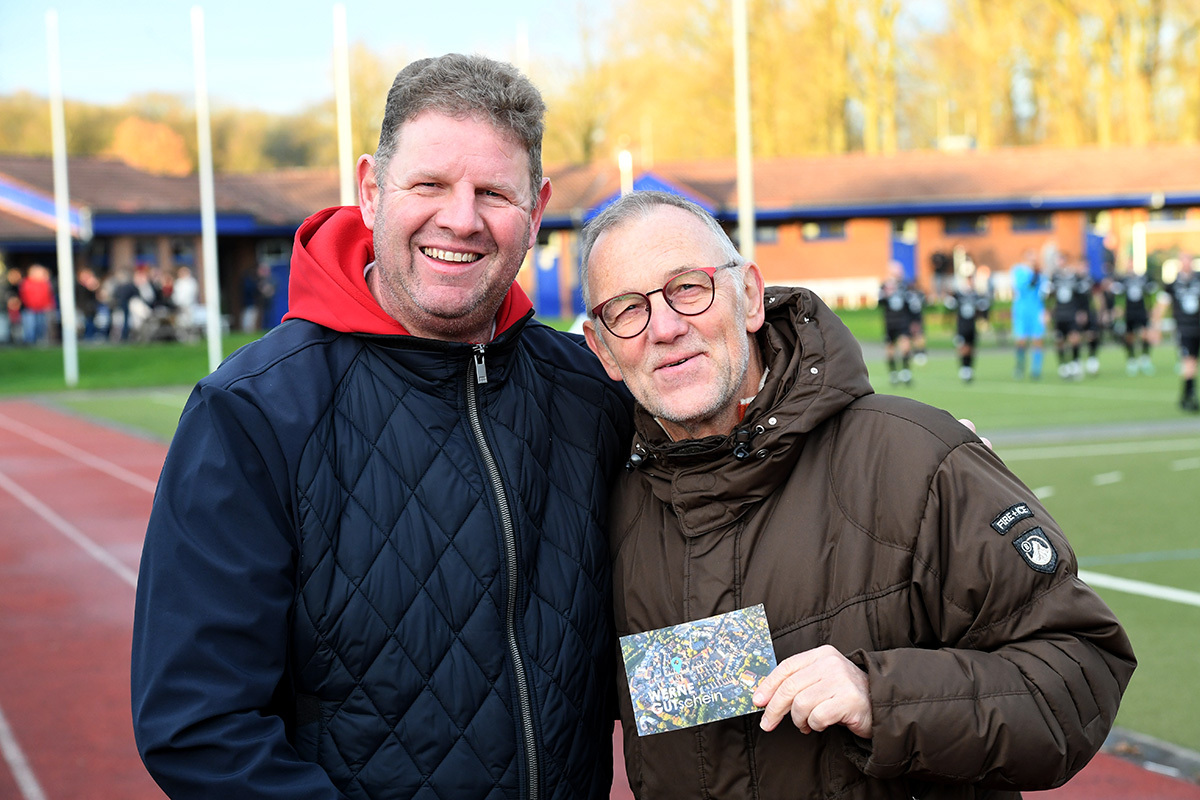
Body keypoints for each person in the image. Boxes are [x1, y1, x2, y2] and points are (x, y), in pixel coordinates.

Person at [131, 54, 633, 800]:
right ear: (371, 190)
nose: (460, 219)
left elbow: (650, 655)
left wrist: (828, 678)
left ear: (536, 210)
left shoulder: (593, 392)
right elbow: (199, 725)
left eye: (493, 192)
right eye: (429, 185)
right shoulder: (253, 413)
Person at [578, 190, 1135, 799]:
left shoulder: (913, 457)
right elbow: (636, 696)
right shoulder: (605, 505)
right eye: (626, 309)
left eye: (688, 287)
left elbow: (1080, 671)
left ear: (749, 296)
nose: (664, 327)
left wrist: (883, 697)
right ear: (602, 348)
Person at [1151, 256, 1200, 412]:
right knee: (1189, 362)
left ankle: (1187, 396)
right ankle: (1188, 395)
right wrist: (1155, 327)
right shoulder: (1172, 285)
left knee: (1191, 363)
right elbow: (1161, 305)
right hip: (1185, 329)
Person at [1045, 254, 1092, 379]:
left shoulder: (1075, 277)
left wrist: (1081, 311)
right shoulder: (1054, 278)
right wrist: (1048, 312)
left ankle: (1075, 363)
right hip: (1060, 314)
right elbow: (1049, 296)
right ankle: (1063, 365)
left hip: (1072, 313)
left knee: (1075, 338)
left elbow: (1081, 295)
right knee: (1059, 340)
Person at [942, 266, 991, 383]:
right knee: (963, 347)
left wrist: (984, 318)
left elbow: (984, 308)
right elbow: (949, 307)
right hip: (961, 325)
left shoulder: (976, 295)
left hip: (972, 325)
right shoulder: (958, 295)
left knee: (972, 348)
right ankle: (964, 368)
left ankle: (969, 368)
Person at [1110, 267, 1157, 376]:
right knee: (1129, 336)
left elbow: (1152, 292)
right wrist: (1118, 309)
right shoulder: (1123, 280)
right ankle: (1132, 360)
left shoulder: (1144, 278)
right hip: (1129, 312)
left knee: (1145, 334)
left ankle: (1145, 359)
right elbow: (1117, 295)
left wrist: (1151, 309)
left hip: (1142, 311)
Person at [1009, 249, 1047, 379]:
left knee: (1038, 339)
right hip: (1022, 309)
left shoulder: (1040, 273)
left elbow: (1044, 291)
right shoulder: (1018, 271)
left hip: (1036, 309)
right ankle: (1020, 366)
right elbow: (1021, 288)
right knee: (1021, 340)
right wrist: (1034, 276)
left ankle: (1036, 369)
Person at [877, 261, 913, 385]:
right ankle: (893, 373)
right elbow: (879, 303)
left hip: (903, 321)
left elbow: (910, 304)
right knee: (890, 348)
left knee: (906, 346)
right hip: (890, 321)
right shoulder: (884, 286)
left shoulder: (904, 286)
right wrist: (886, 293)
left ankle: (905, 372)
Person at [18, 264, 55, 345]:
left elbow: (49, 296)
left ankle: (40, 340)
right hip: (30, 308)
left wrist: (49, 305)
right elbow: (24, 296)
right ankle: (29, 341)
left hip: (42, 308)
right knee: (30, 326)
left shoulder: (45, 283)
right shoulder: (26, 283)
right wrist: (29, 305)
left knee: (41, 325)